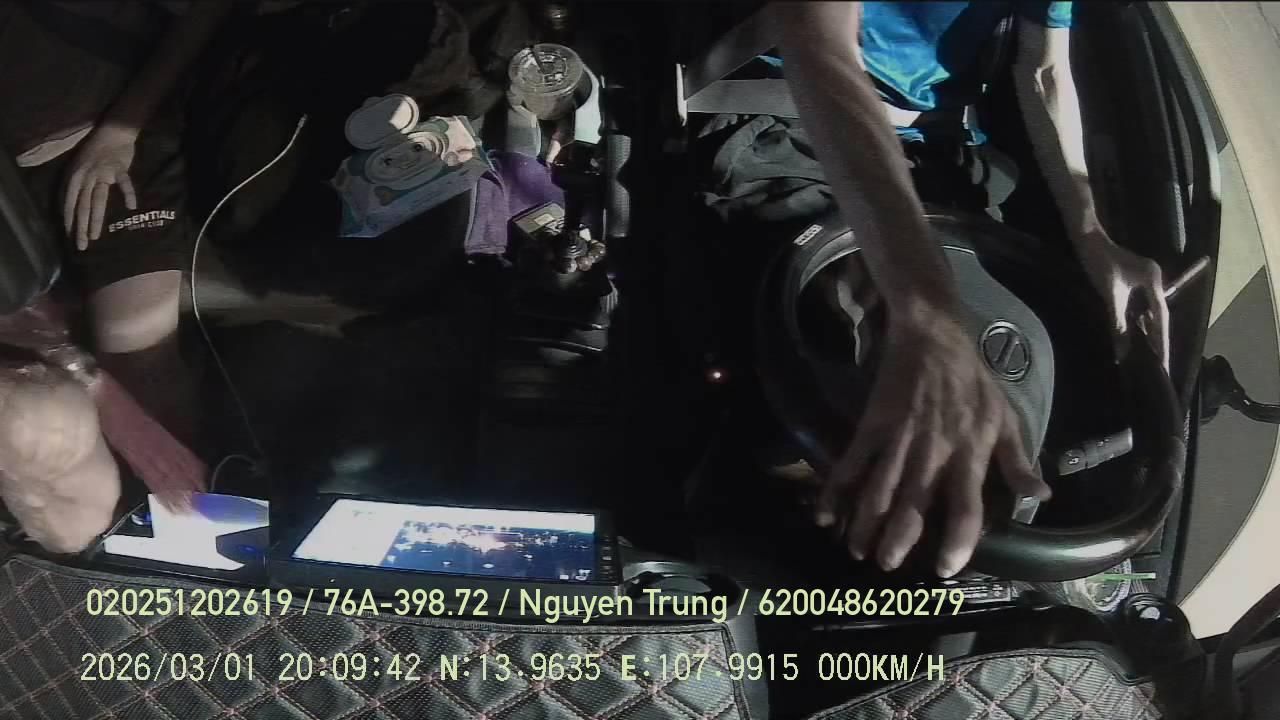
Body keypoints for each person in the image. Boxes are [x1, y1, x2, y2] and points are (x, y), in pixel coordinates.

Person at [768, 1, 1170, 577]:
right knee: (816, 361)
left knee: (1040, 364)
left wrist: (1091, 234)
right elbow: (818, 42)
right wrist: (929, 319)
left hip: (942, 150)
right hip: (789, 115)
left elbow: (1043, 68)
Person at [0, 0, 231, 449]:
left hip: (101, 138)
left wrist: (121, 130)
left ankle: (207, 488)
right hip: (11, 184)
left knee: (142, 375)